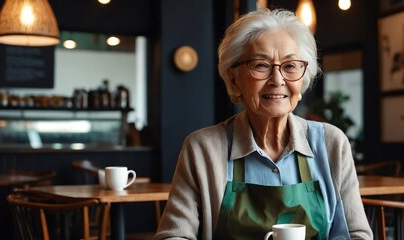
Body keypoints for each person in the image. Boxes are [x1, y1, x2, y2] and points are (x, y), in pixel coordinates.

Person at [152, 8, 373, 240]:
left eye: (290, 66)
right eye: (261, 65)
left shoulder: (331, 143)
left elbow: (356, 234)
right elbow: (173, 236)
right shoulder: (202, 148)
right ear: (233, 79)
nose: (277, 80)